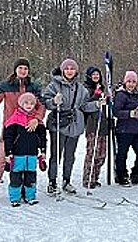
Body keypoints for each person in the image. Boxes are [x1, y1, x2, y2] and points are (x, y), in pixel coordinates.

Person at [0, 58, 45, 206]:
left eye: (26, 68)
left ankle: (26, 193)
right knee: (0, 163)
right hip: (11, 131)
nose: (23, 71)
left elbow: (41, 106)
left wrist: (37, 119)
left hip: (29, 132)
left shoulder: (33, 87)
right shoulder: (7, 86)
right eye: (20, 68)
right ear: (15, 70)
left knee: (28, 164)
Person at [42, 58, 100, 195]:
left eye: (72, 69)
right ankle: (52, 181)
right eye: (67, 69)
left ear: (76, 71)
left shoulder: (81, 89)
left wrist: (97, 104)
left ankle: (66, 180)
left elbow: (84, 106)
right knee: (56, 154)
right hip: (58, 123)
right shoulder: (54, 85)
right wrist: (53, 101)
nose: (69, 71)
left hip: (74, 124)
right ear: (62, 70)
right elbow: (45, 102)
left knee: (70, 155)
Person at [3, 93, 47, 207]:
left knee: (31, 177)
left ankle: (30, 197)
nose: (29, 105)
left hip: (32, 155)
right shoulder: (14, 120)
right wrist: (8, 153)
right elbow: (8, 138)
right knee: (16, 178)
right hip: (18, 155)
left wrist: (43, 151)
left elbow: (42, 137)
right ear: (21, 104)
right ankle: (15, 198)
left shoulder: (37, 121)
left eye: (32, 103)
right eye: (26, 103)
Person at [113, 71, 138, 186]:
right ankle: (121, 175)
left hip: (137, 130)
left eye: (133, 82)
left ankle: (136, 174)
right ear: (125, 82)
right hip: (124, 130)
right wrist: (129, 114)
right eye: (129, 82)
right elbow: (116, 111)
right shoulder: (121, 95)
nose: (131, 84)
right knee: (122, 154)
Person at [82, 66, 108, 189]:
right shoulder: (86, 89)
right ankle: (88, 178)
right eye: (93, 75)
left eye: (97, 75)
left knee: (101, 154)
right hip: (92, 125)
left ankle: (95, 177)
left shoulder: (102, 89)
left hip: (103, 125)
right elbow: (84, 106)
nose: (96, 77)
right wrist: (95, 99)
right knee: (92, 153)